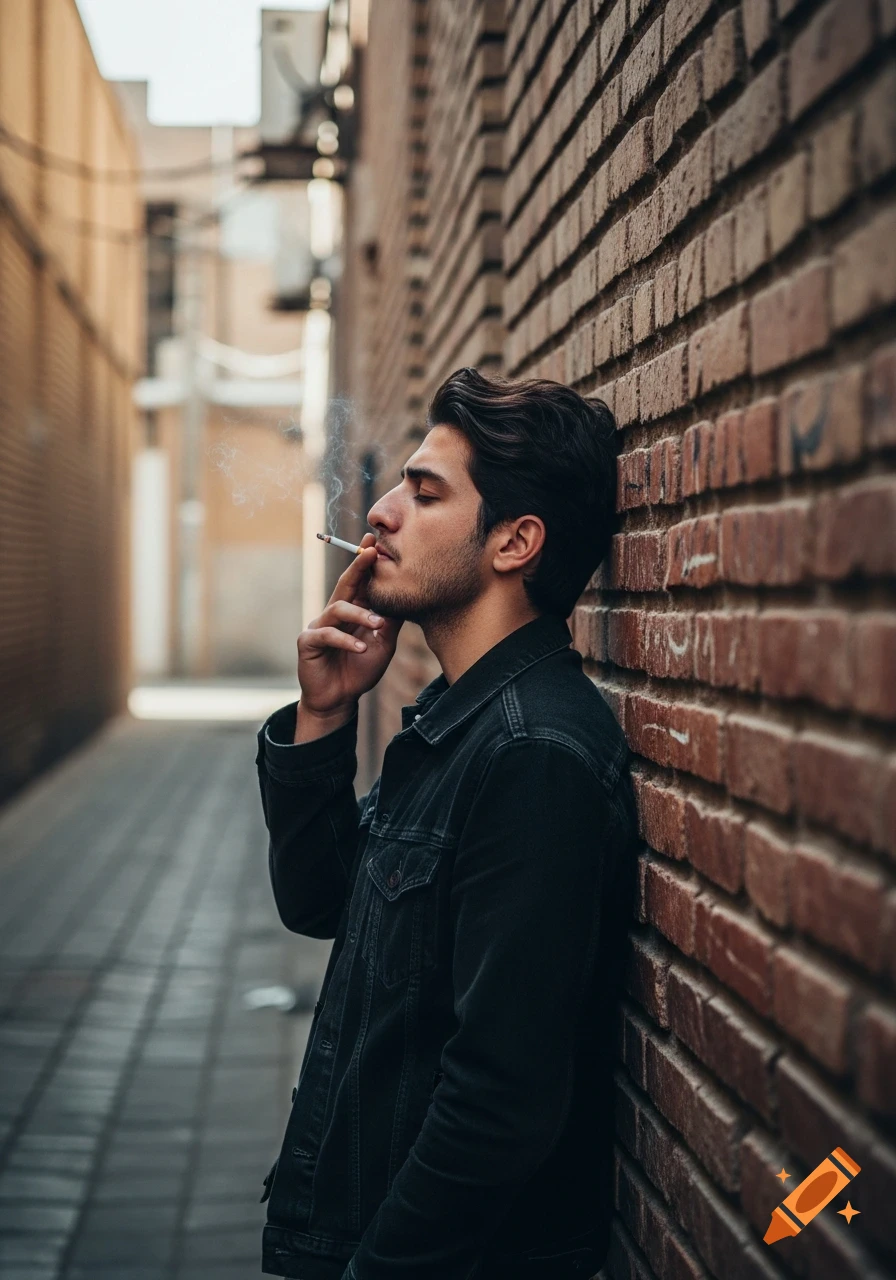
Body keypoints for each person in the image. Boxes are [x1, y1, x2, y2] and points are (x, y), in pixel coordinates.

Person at [255, 367, 637, 1280]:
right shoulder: (456, 720)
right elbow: (318, 904)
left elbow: (499, 1101)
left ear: (514, 542)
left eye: (423, 493)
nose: (380, 512)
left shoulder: (530, 752)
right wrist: (323, 720)